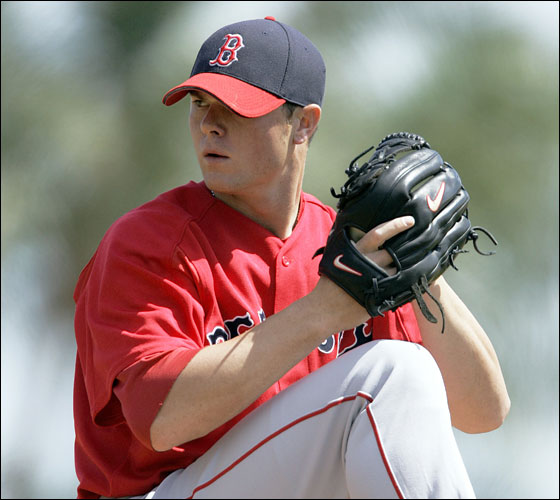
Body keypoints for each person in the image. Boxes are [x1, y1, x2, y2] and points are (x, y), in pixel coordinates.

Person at [73, 16, 510, 499]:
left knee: (405, 371)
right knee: (388, 373)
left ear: (304, 123)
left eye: (237, 107)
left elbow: (484, 411)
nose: (209, 125)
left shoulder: (348, 245)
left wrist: (418, 266)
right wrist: (325, 310)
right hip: (163, 491)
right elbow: (159, 418)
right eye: (200, 103)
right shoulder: (149, 241)